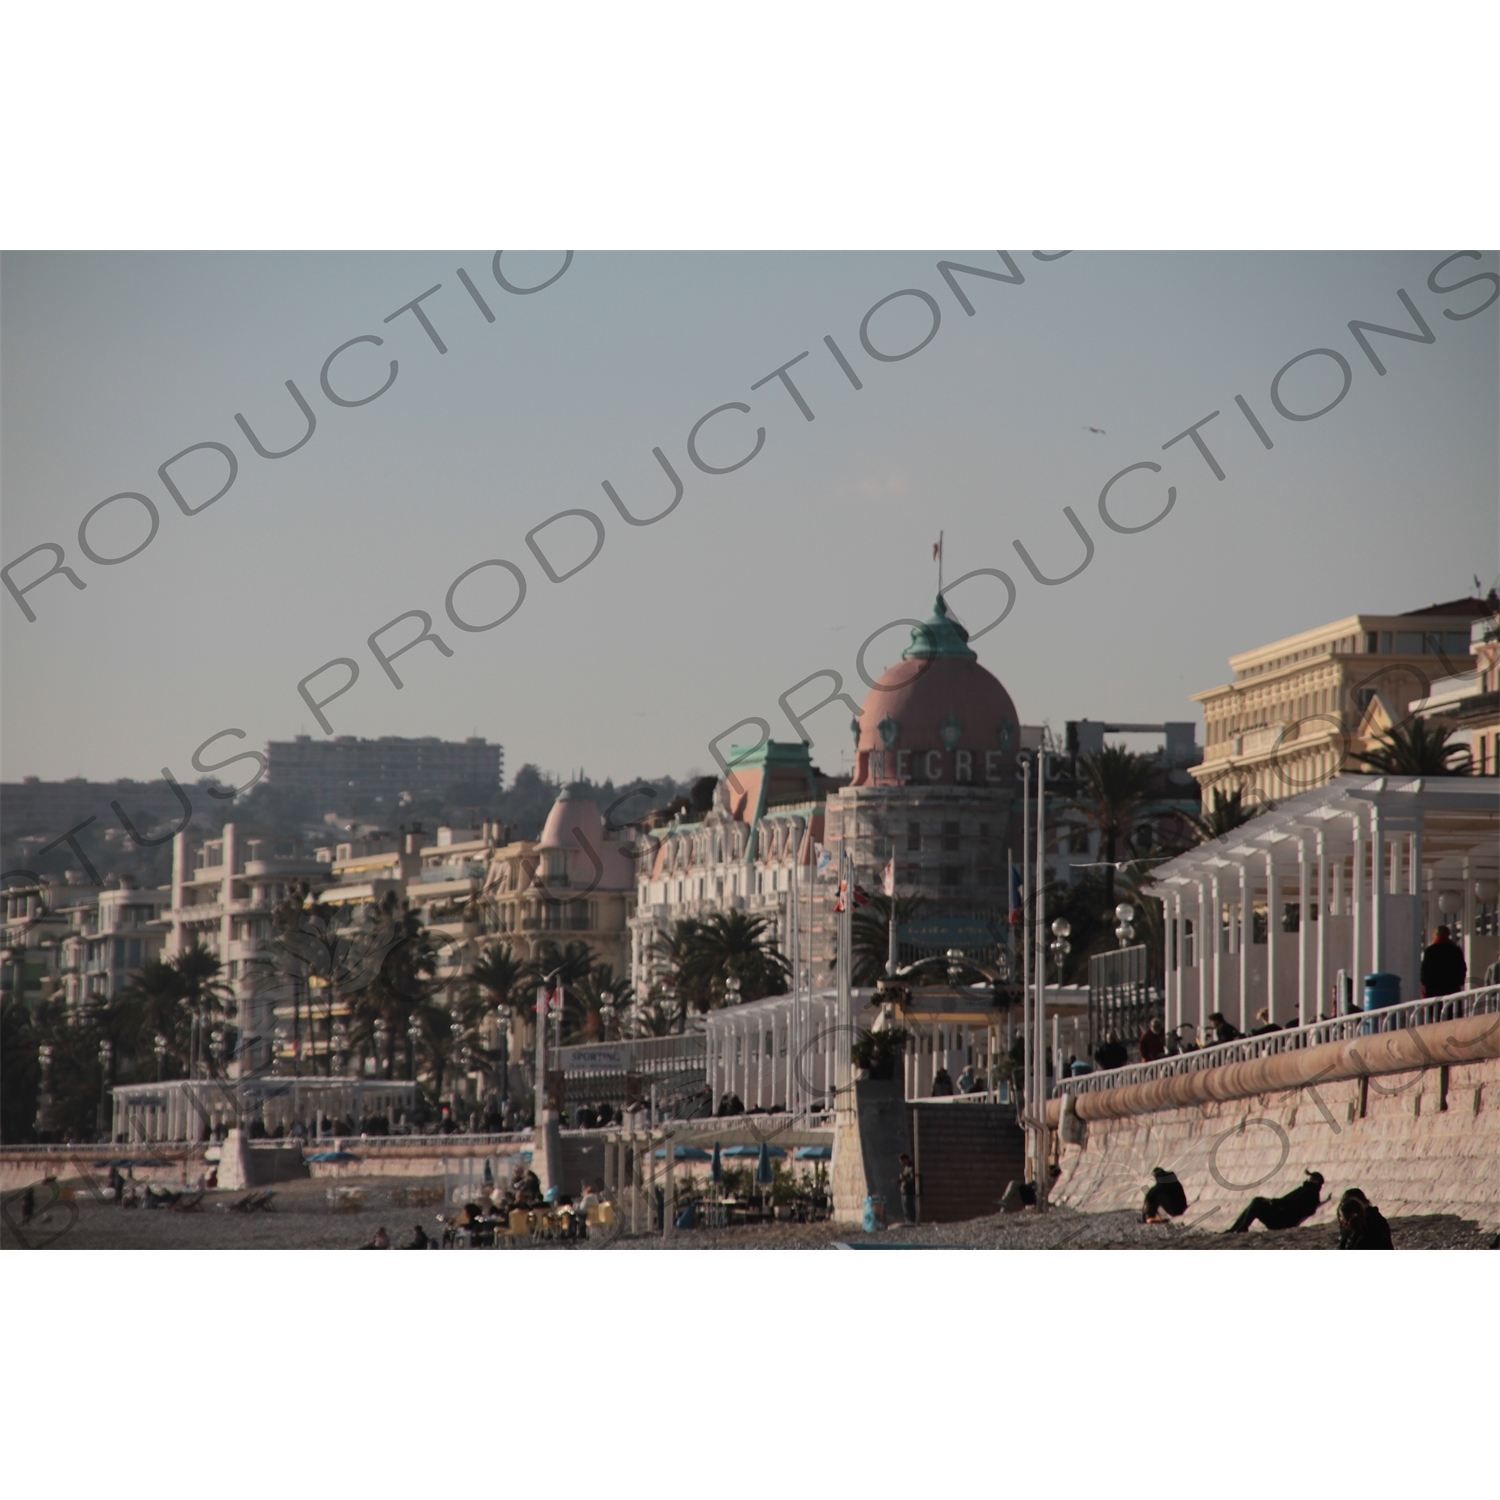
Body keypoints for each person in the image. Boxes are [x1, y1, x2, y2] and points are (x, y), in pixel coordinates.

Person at [1225, 1171, 1324, 1234]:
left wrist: (1272, 1201)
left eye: (1311, 1178)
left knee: (1257, 1202)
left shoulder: (1310, 1193)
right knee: (1258, 1201)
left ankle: (1241, 1227)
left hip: (1283, 1221)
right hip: (1282, 1216)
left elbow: (1293, 1205)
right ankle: (1237, 1228)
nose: (1308, 1179)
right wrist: (1273, 1202)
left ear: (1316, 1182)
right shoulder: (1306, 1190)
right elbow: (1287, 1201)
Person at [1420, 925, 1467, 999]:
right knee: (1452, 1009)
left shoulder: (1430, 951)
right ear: (1448, 935)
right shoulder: (1455, 950)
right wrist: (1460, 982)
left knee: (1435, 1009)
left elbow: (1424, 971)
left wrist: (1425, 984)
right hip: (1452, 988)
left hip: (1433, 990)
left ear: (1435, 935)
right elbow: (1462, 968)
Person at [897, 1153, 917, 1224]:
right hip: (904, 1191)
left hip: (908, 1191)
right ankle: (907, 1221)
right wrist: (899, 1181)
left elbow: (912, 1179)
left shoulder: (912, 1167)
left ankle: (912, 1222)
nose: (901, 1164)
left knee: (909, 1208)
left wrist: (904, 1178)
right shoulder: (906, 1167)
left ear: (906, 1159)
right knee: (905, 1209)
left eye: (902, 1161)